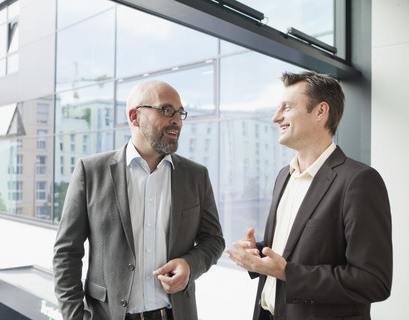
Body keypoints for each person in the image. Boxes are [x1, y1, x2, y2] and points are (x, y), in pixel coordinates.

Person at [53, 80, 225, 320]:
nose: (177, 120)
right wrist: (74, 316)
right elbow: (66, 253)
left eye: (180, 112)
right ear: (135, 117)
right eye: (166, 110)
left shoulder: (196, 176)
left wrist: (190, 265)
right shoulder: (90, 172)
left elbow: (214, 239)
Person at [226, 71, 392, 320]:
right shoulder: (285, 176)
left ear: (320, 112)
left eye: (287, 107)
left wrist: (287, 272)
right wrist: (258, 253)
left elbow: (373, 281)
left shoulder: (359, 181)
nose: (275, 117)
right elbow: (295, 249)